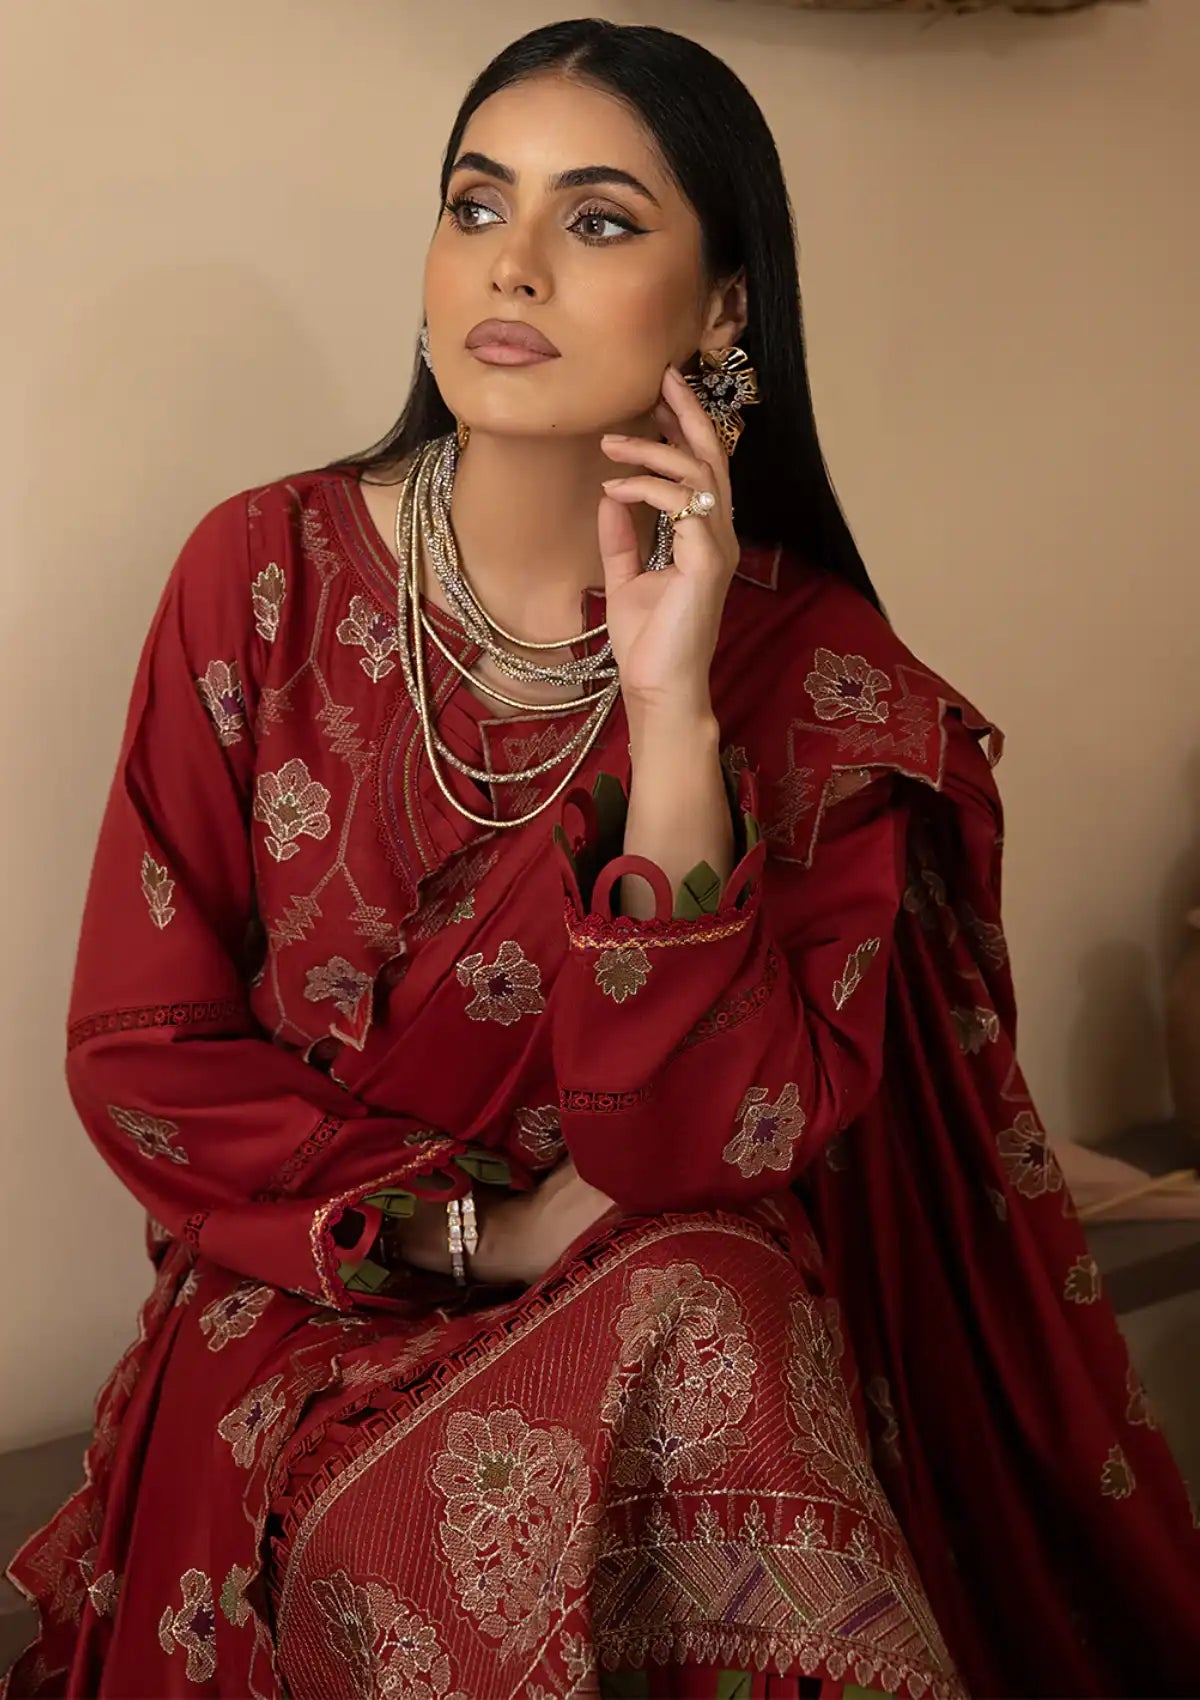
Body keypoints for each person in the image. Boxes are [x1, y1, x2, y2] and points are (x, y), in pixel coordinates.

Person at [4, 18, 1196, 1700]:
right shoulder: (263, 579)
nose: (517, 263)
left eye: (602, 220)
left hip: (658, 1303)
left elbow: (700, 1149)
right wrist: (472, 1233)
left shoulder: (814, 679)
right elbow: (143, 1051)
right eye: (477, 205)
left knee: (701, 1293)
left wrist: (672, 706)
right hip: (318, 1303)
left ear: (724, 312)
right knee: (669, 1332)